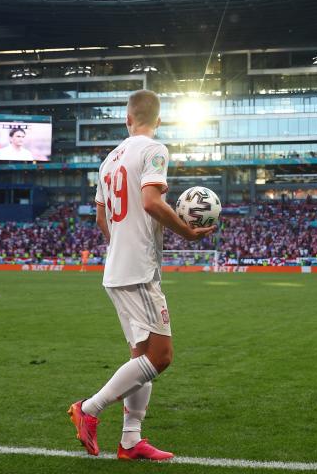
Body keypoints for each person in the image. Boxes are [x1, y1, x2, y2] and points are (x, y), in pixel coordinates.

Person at [68, 89, 215, 462]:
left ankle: (131, 441)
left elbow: (102, 218)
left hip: (118, 266)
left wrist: (121, 244)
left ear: (127, 119)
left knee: (140, 356)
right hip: (138, 269)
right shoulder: (154, 149)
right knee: (161, 356)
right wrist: (187, 231)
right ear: (159, 120)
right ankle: (89, 409)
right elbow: (151, 202)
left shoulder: (108, 160)